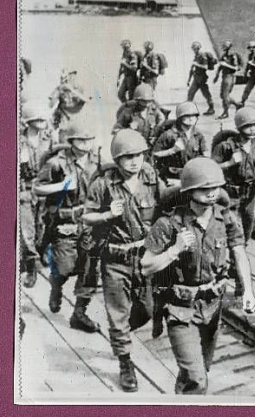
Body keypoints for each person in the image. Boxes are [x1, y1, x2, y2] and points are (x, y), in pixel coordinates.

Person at [141, 158, 255, 395]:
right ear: (190, 190)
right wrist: (174, 250)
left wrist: (248, 290)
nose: (212, 193)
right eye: (205, 189)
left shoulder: (226, 219)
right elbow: (146, 266)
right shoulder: (169, 224)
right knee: (197, 379)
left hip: (212, 308)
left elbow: (239, 253)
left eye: (215, 188)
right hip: (180, 309)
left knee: (198, 372)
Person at [81, 130, 163, 392]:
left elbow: (163, 207)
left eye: (138, 155)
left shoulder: (150, 178)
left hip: (144, 257)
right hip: (115, 258)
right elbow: (86, 216)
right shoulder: (103, 184)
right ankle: (125, 362)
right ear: (117, 159)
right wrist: (106, 214)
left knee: (147, 310)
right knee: (118, 314)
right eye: (127, 157)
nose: (134, 161)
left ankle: (122, 334)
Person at [33, 121, 100, 333]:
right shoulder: (56, 163)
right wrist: (62, 186)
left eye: (89, 140)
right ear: (72, 141)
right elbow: (37, 188)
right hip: (65, 224)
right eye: (82, 140)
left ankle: (79, 313)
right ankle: (56, 286)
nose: (87, 144)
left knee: (90, 268)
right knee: (64, 268)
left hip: (89, 222)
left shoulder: (97, 162)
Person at [211, 107, 255, 246]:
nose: (252, 129)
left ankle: (244, 247)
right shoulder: (226, 146)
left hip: (251, 192)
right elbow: (211, 167)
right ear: (240, 127)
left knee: (249, 221)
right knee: (231, 223)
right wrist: (229, 163)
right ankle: (232, 250)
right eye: (248, 126)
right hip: (231, 193)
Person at [19, 104, 53, 288]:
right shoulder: (19, 141)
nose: (42, 123)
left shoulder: (48, 139)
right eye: (38, 120)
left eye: (43, 119)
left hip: (44, 189)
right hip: (25, 190)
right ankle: (32, 266)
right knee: (27, 229)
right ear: (29, 122)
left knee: (43, 226)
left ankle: (41, 252)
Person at [152, 101, 207, 183]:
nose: (191, 118)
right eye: (187, 116)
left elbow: (205, 154)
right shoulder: (169, 135)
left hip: (192, 175)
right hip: (173, 176)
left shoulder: (198, 135)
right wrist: (172, 151)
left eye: (194, 115)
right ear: (180, 118)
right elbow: (154, 155)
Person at [112, 83, 167, 147]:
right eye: (143, 101)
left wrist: (156, 136)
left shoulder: (155, 112)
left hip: (150, 147)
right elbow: (116, 130)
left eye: (148, 101)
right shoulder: (128, 112)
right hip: (133, 147)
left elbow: (162, 123)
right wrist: (127, 135)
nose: (146, 104)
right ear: (137, 100)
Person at [214, 39, 242, 119]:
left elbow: (236, 68)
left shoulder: (233, 56)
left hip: (230, 77)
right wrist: (217, 75)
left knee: (225, 96)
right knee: (222, 95)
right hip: (224, 77)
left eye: (225, 46)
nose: (223, 47)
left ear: (229, 47)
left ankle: (225, 113)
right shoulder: (224, 55)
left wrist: (226, 65)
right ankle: (237, 104)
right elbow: (220, 66)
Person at [187, 41, 215, 116]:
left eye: (194, 49)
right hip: (196, 77)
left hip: (202, 78)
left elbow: (205, 67)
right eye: (193, 49)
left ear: (198, 48)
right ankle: (188, 110)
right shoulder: (196, 56)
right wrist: (189, 80)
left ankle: (211, 108)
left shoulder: (202, 56)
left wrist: (197, 64)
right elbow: (192, 69)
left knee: (206, 94)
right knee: (190, 93)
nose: (193, 50)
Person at [117, 39, 140, 104]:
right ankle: (127, 107)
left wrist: (125, 64)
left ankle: (132, 111)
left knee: (131, 96)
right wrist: (118, 77)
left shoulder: (132, 55)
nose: (123, 47)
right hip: (126, 77)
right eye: (123, 46)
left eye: (124, 46)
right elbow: (121, 67)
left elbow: (134, 68)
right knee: (120, 94)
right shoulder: (124, 54)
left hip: (132, 78)